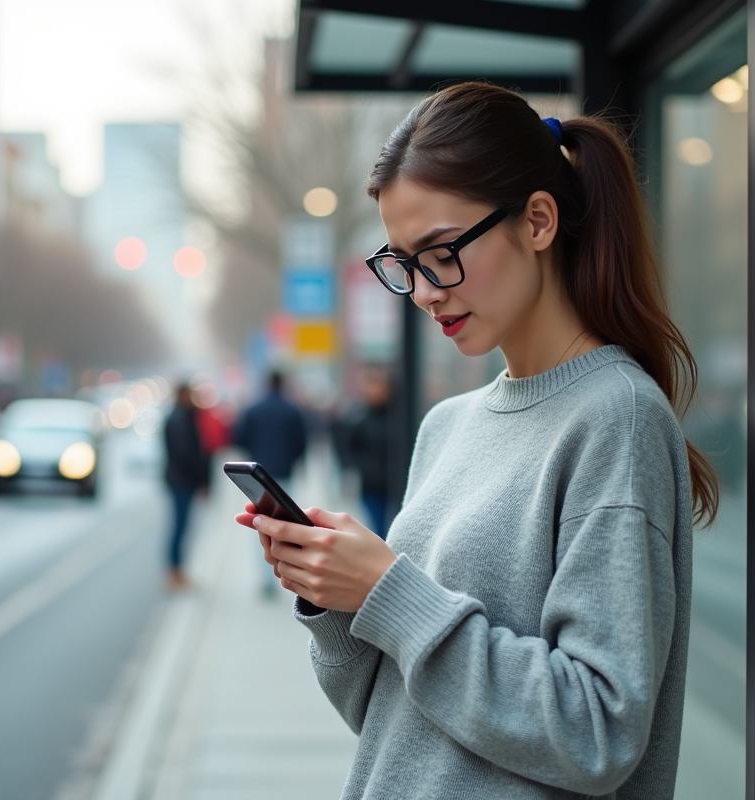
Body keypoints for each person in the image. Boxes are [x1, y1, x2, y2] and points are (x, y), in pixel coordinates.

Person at [234, 82, 719, 799]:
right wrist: (338, 602)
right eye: (402, 263)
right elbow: (390, 716)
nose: (425, 290)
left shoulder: (616, 417)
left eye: (440, 252)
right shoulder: (447, 426)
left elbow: (598, 733)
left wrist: (388, 589)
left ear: (539, 222)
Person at [234, 370, 307, 594]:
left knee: (260, 524)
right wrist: (292, 461)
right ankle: (286, 572)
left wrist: (254, 456)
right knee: (286, 524)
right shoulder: (292, 410)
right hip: (284, 474)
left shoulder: (253, 410)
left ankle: (266, 577)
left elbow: (238, 438)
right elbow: (302, 443)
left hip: (259, 476)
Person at [163, 382, 210, 590]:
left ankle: (176, 571)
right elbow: (186, 454)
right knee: (180, 527)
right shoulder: (181, 418)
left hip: (178, 479)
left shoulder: (179, 416)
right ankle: (174, 572)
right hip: (182, 481)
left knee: (180, 526)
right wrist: (201, 479)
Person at [342, 367, 394, 538]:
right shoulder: (360, 418)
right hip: (371, 485)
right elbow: (347, 450)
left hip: (395, 483)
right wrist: (362, 468)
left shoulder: (397, 417)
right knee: (378, 528)